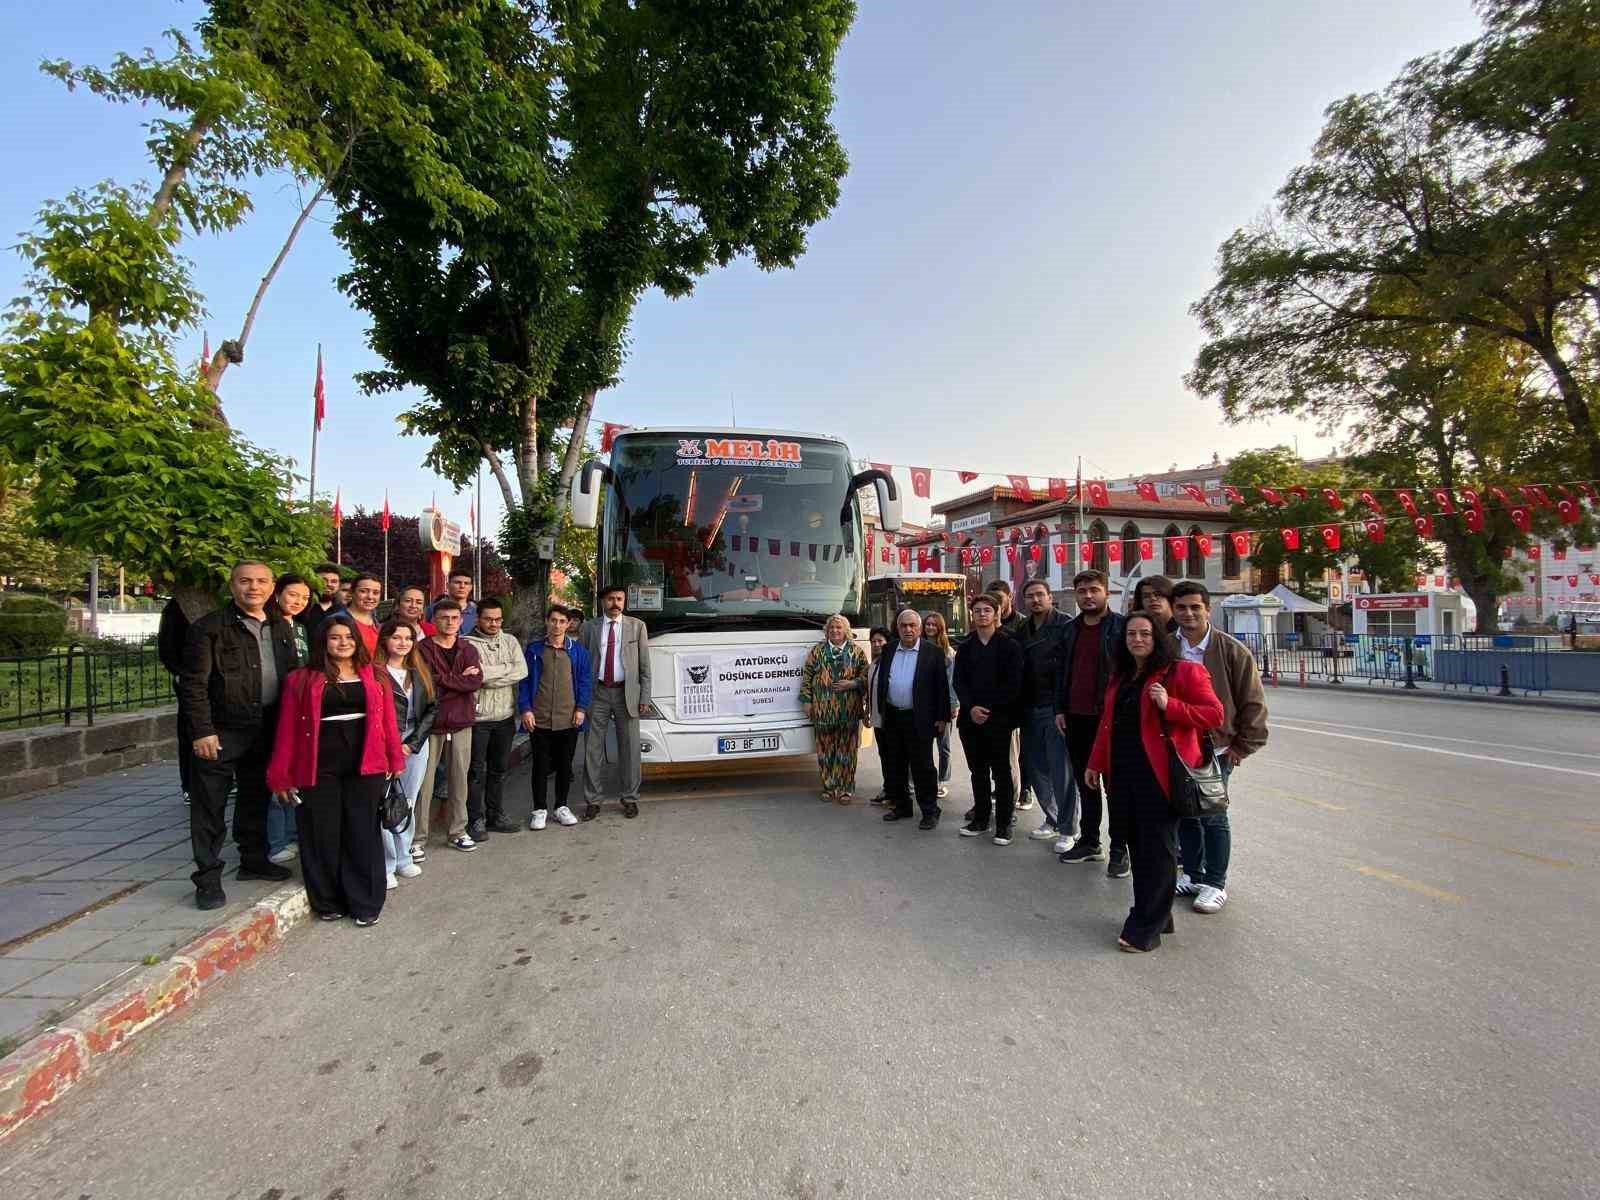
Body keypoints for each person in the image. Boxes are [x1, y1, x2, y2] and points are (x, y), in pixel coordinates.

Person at [1085, 612, 1223, 953]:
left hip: (1161, 776)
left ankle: (1144, 925)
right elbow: (1108, 724)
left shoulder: (1183, 671)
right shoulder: (1122, 676)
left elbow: (1214, 714)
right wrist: (1095, 763)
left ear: (1157, 637)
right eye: (1131, 634)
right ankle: (1160, 915)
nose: (1137, 639)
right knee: (1136, 844)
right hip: (1123, 774)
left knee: (1157, 850)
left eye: (1145, 633)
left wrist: (1169, 704)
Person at [267, 616, 404, 927]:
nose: (343, 643)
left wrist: (394, 759)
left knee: (362, 831)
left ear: (358, 641)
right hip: (319, 763)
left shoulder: (375, 676)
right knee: (322, 831)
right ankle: (328, 899)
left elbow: (388, 724)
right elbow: (287, 729)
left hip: (365, 762)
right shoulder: (301, 679)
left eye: (348, 637)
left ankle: (365, 901)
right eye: (334, 637)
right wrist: (280, 775)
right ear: (322, 642)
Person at [178, 561, 298, 909]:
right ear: (232, 586)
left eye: (261, 581)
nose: (253, 588)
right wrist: (201, 731)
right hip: (221, 731)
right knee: (209, 806)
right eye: (245, 581)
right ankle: (208, 878)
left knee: (256, 798)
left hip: (267, 727)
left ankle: (253, 860)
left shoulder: (280, 627)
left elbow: (291, 677)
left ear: (272, 587)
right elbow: (193, 685)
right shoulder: (210, 628)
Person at [1171, 582, 1268, 915]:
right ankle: (1193, 874)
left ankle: (1215, 882)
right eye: (1181, 607)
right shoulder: (1167, 647)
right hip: (1177, 746)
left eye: (1195, 607)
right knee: (1186, 813)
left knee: (1213, 814)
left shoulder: (1231, 650)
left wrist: (1243, 745)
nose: (1188, 613)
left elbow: (1252, 701)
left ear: (1207, 610)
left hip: (1217, 748)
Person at [1054, 570, 1128, 874]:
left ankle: (1120, 850)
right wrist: (1060, 707)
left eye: (1094, 590)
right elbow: (1062, 672)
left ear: (1106, 593)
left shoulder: (1122, 628)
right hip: (1076, 717)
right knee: (1086, 784)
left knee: (1115, 787)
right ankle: (1089, 841)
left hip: (1110, 720)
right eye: (1082, 591)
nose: (1087, 596)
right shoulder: (1070, 630)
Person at [953, 594, 1024, 843]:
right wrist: (971, 708)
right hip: (971, 721)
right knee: (978, 771)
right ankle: (981, 818)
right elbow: (959, 681)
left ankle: (1004, 824)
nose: (981, 614)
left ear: (996, 614)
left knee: (1002, 772)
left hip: (1000, 720)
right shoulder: (966, 647)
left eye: (986, 610)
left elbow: (1014, 684)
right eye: (977, 611)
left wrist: (989, 708)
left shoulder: (1010, 646)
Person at [876, 609, 956, 829]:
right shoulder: (889, 649)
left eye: (912, 625)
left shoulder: (933, 652)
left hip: (920, 718)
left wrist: (942, 717)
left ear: (919, 628)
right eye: (904, 626)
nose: (908, 629)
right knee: (896, 764)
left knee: (923, 767)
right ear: (898, 628)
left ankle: (930, 811)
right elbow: (883, 681)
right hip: (893, 716)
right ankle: (902, 806)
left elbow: (942, 687)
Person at [416, 600, 483, 853]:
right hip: (430, 723)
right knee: (425, 782)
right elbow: (426, 682)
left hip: (461, 721)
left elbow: (475, 681)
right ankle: (417, 838)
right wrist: (458, 681)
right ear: (434, 620)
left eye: (455, 618)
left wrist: (446, 682)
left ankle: (457, 831)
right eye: (444, 617)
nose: (451, 622)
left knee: (459, 779)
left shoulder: (467, 648)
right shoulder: (422, 649)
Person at [518, 604, 592, 829]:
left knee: (564, 765)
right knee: (540, 766)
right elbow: (524, 682)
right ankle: (539, 809)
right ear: (547, 622)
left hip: (568, 718)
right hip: (538, 718)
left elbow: (585, 681)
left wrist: (581, 708)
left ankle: (561, 806)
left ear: (569, 624)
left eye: (562, 621)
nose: (557, 625)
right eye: (553, 620)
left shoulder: (578, 651)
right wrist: (525, 709)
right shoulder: (534, 650)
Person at [582, 584, 651, 819]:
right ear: (603, 601)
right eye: (611, 599)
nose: (615, 603)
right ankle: (593, 800)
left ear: (624, 601)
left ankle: (630, 798)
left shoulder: (637, 626)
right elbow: (582, 666)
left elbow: (645, 667)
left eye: (619, 599)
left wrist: (644, 697)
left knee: (630, 748)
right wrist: (581, 699)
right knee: (592, 748)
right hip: (597, 693)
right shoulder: (589, 628)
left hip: (626, 694)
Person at [376, 617, 436, 888]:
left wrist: (412, 743)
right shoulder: (374, 672)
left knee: (407, 802)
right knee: (385, 804)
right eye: (396, 637)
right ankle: (386, 863)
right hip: (385, 744)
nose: (402, 643)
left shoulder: (419, 671)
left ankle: (403, 856)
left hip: (415, 742)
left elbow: (432, 709)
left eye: (408, 638)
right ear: (385, 640)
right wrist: (393, 746)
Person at [1012, 578, 1073, 845]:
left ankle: (1069, 829)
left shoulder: (1066, 624)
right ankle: (1052, 817)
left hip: (1055, 706)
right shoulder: (1023, 628)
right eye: (1030, 596)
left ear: (1050, 597)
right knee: (1037, 769)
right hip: (1029, 706)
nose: (1035, 600)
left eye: (1040, 595)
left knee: (1062, 771)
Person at [465, 597, 529, 838]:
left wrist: (488, 675)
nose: (493, 623)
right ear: (478, 619)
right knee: (476, 772)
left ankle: (496, 814)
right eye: (488, 619)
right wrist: (505, 670)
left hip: (505, 716)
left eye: (498, 619)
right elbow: (474, 678)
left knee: (498, 769)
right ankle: (475, 819)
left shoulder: (510, 640)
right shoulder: (466, 644)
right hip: (478, 718)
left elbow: (521, 671)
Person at [264, 573, 314, 865]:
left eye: (304, 598)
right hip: (277, 708)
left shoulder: (301, 627)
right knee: (278, 777)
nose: (298, 601)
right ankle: (276, 840)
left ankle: (293, 834)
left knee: (297, 776)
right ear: (278, 593)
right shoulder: (269, 626)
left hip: (300, 707)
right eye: (293, 594)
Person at [800, 614, 870, 803]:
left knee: (847, 751)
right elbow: (807, 677)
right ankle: (829, 787)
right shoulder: (818, 651)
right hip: (823, 711)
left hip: (849, 710)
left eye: (839, 628)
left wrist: (852, 683)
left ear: (846, 630)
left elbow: (867, 677)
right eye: (832, 628)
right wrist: (806, 701)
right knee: (825, 750)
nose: (835, 631)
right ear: (827, 631)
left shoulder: (856, 652)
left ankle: (846, 788)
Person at [988, 578, 1032, 813]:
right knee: (998, 751)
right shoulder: (985, 624)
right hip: (993, 700)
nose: (995, 605)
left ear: (1010, 599)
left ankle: (1024, 788)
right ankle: (1002, 788)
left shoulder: (1021, 624)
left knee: (1020, 749)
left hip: (1019, 695)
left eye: (999, 600)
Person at [157, 596, 194, 805]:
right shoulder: (177, 606)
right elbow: (167, 644)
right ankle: (189, 784)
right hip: (188, 677)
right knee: (190, 731)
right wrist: (179, 672)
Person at [921, 610, 957, 799]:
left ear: (940, 628)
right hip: (923, 706)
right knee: (922, 745)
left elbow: (952, 682)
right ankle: (922, 779)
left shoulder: (948, 653)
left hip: (942, 706)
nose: (930, 627)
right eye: (928, 624)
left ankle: (942, 781)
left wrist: (952, 705)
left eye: (934, 625)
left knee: (943, 746)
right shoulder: (918, 648)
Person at [863, 627, 893, 805]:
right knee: (884, 755)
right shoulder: (873, 664)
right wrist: (867, 712)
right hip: (876, 718)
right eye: (873, 641)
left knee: (893, 756)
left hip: (890, 719)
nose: (876, 644)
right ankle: (888, 788)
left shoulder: (891, 663)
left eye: (880, 641)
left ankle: (896, 792)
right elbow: (870, 690)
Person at [344, 573, 384, 658]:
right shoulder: (338, 621)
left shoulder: (377, 624)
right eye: (363, 591)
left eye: (376, 592)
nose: (370, 597)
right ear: (352, 592)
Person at [303, 563, 343, 638]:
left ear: (339, 585)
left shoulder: (343, 611)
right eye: (324, 580)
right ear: (313, 581)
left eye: (334, 581)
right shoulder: (303, 606)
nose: (329, 584)